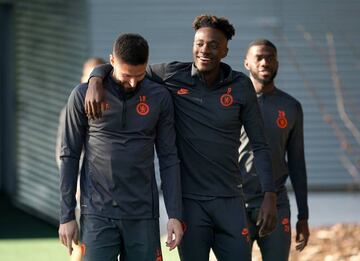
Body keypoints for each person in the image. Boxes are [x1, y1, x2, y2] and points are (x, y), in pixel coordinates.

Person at [85, 15, 277, 261]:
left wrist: (269, 195)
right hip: (190, 204)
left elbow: (260, 145)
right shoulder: (171, 75)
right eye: (199, 43)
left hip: (230, 199)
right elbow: (124, 66)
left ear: (226, 50)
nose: (204, 50)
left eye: (213, 45)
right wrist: (95, 77)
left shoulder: (240, 86)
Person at [58, 33, 183, 261]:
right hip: (97, 213)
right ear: (112, 61)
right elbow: (69, 155)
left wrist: (175, 214)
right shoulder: (82, 96)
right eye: (127, 75)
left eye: (139, 75)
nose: (133, 82)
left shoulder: (159, 96)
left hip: (143, 214)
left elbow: (169, 157)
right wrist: (66, 215)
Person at [240, 39, 310, 260]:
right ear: (247, 64)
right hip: (236, 202)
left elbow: (297, 162)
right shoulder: (233, 102)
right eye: (259, 57)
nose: (265, 62)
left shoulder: (290, 107)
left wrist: (303, 215)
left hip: (276, 203)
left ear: (277, 63)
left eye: (270, 57)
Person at [55, 57, 106, 260]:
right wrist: (75, 184)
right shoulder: (72, 107)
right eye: (88, 78)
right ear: (83, 78)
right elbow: (63, 154)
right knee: (81, 246)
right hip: (82, 190)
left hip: (108, 195)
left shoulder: (107, 105)